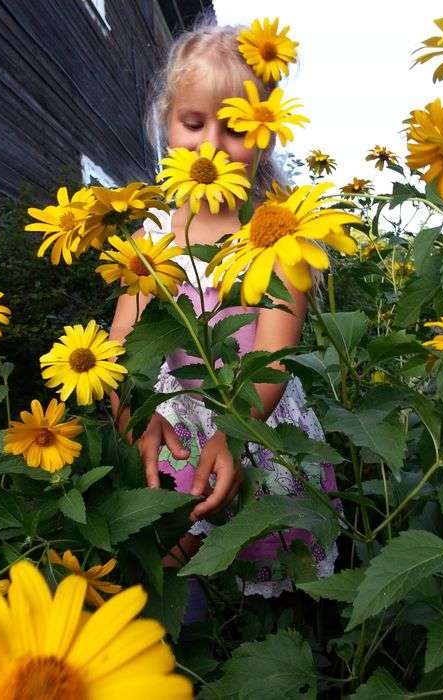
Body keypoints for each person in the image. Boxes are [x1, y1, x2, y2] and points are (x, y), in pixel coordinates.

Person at [110, 19, 338, 598]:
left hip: (253, 430)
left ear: (266, 134)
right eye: (193, 123)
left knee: (269, 583)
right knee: (178, 580)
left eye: (235, 128)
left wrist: (235, 435)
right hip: (177, 434)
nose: (210, 144)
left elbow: (272, 358)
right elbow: (120, 346)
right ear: (166, 125)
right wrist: (136, 416)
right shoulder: (153, 237)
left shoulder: (281, 234)